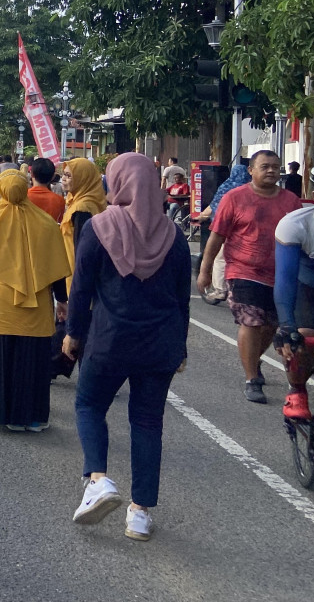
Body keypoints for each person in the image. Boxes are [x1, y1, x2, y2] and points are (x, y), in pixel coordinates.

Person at [64, 153, 190, 542]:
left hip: (109, 339)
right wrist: (180, 347)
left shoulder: (100, 227)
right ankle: (139, 513)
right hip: (160, 344)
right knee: (148, 422)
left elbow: (81, 288)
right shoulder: (174, 235)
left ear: (115, 183)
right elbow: (181, 297)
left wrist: (73, 333)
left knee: (88, 405)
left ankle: (98, 479)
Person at [0, 170, 70, 432]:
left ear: (0, 190)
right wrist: (62, 300)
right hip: (36, 301)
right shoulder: (45, 223)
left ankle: (4, 414)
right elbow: (55, 267)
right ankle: (34, 417)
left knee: (2, 356)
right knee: (33, 359)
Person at [198, 149, 301, 403]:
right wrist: (205, 270)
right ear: (251, 171)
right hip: (243, 270)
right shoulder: (234, 198)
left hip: (280, 274)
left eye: (276, 167)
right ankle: (252, 378)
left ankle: (253, 360)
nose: (271, 171)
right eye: (265, 166)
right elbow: (216, 237)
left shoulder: (291, 201)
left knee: (271, 324)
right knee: (251, 321)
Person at [273, 159, 314, 420]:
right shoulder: (295, 224)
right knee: (303, 338)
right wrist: (287, 327)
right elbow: (285, 279)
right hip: (306, 290)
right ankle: (297, 390)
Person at [54, 157, 110, 377]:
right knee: (77, 326)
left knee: (75, 327)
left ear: (83, 179)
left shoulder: (83, 208)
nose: (65, 180)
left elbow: (81, 248)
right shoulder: (84, 201)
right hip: (75, 274)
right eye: (64, 175)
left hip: (76, 275)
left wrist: (78, 280)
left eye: (69, 176)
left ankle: (92, 373)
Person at [196, 161, 249, 304]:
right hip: (248, 232)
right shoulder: (252, 189)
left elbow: (214, 207)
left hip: (227, 230)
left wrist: (199, 217)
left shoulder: (227, 188)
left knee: (220, 257)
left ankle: (220, 290)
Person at [27, 157, 65, 223]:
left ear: (31, 173)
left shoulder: (23, 196)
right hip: (50, 233)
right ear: (53, 176)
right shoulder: (59, 200)